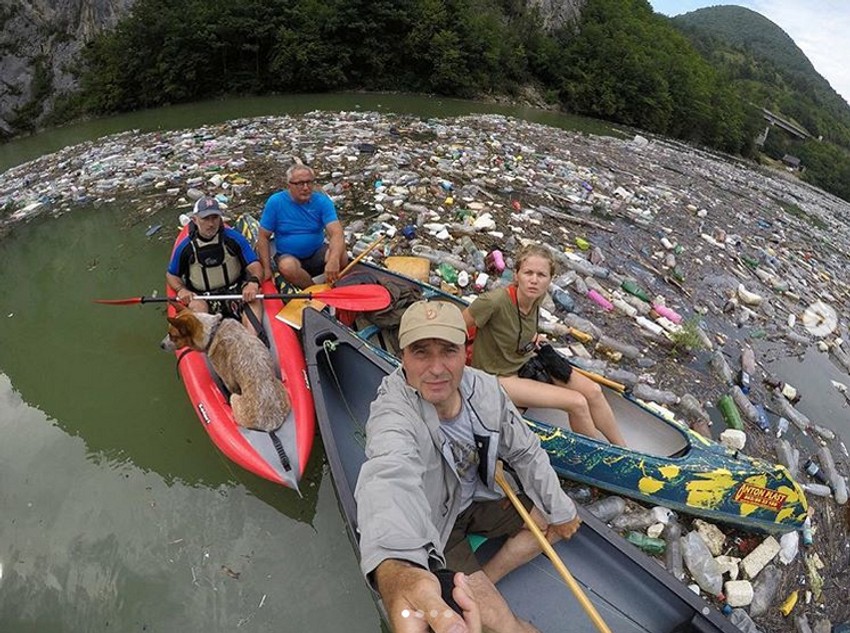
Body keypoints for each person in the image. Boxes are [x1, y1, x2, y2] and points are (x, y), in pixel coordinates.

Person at [356, 300, 581, 633]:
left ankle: (483, 581)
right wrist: (396, 568)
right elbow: (388, 477)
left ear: (465, 353)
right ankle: (475, 593)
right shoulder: (393, 413)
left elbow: (525, 451)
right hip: (437, 524)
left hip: (479, 496)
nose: (436, 368)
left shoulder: (486, 390)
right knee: (505, 626)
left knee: (552, 516)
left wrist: (562, 511)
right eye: (421, 352)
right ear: (402, 356)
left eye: (448, 351)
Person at [462, 244, 626, 447]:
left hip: (524, 361)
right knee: (577, 403)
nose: (534, 280)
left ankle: (623, 448)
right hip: (498, 377)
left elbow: (518, 327)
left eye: (541, 275)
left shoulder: (535, 299)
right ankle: (603, 457)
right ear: (516, 275)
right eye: (528, 273)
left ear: (550, 280)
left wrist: (533, 338)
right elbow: (455, 327)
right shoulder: (493, 301)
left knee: (592, 390)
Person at [166, 197, 264, 331]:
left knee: (254, 298)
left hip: (235, 292)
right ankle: (206, 340)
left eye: (215, 218)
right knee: (197, 307)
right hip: (202, 297)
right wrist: (181, 290)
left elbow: (254, 265)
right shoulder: (186, 247)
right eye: (205, 219)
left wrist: (253, 283)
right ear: (194, 220)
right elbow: (172, 275)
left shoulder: (233, 238)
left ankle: (252, 340)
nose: (211, 224)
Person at [256, 164, 348, 289]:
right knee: (287, 266)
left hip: (316, 252)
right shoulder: (276, 202)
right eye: (300, 183)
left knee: (341, 255)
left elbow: (336, 232)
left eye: (309, 182)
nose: (305, 188)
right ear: (289, 185)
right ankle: (313, 289)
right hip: (289, 256)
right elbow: (263, 236)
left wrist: (334, 260)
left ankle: (333, 283)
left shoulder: (322, 202)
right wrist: (266, 268)